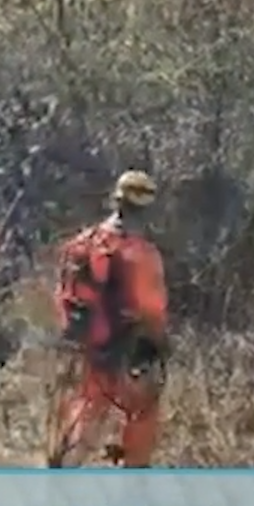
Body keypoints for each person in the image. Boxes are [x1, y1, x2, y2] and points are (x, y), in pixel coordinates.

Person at [48, 170, 171, 468]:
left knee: (86, 412)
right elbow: (152, 308)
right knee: (141, 416)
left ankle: (64, 473)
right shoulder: (142, 254)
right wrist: (157, 346)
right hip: (127, 350)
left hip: (87, 345)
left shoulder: (82, 243)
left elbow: (62, 292)